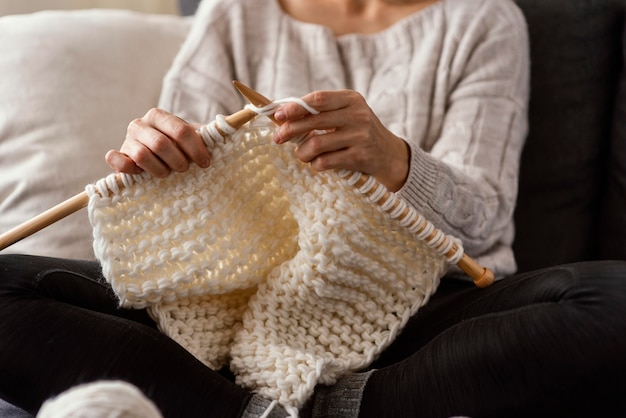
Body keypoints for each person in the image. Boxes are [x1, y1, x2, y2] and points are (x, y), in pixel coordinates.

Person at [1, 0, 625, 417]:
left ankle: (305, 404)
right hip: (235, 307)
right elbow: (185, 161)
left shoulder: (484, 19)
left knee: (611, 300)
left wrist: (397, 161)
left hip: (424, 310)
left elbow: (486, 217)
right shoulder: (238, 10)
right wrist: (161, 158)